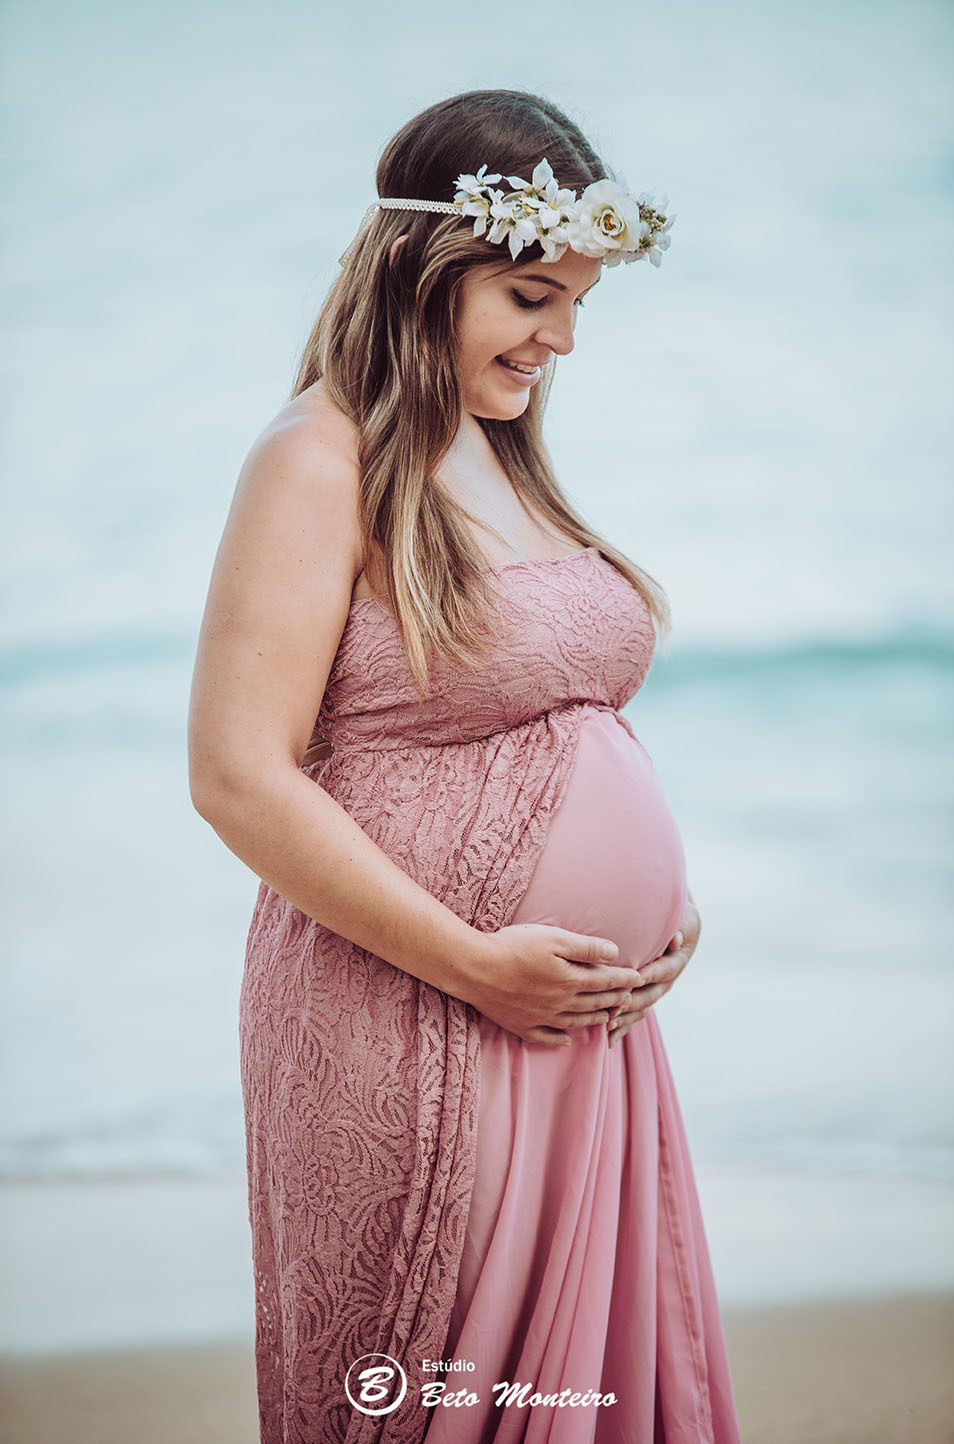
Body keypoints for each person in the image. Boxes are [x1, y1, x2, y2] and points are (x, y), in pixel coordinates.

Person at [188, 88, 742, 1444]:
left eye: (578, 309)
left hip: (572, 1028)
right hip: (419, 1015)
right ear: (430, 272)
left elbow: (563, 719)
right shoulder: (318, 462)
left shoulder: (499, 454)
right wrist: (474, 962)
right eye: (531, 296)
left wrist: (662, 914)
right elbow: (238, 777)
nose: (558, 340)